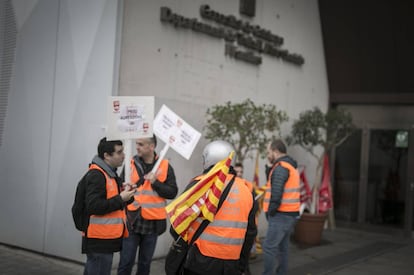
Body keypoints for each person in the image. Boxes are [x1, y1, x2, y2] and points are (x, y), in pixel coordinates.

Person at [179, 140, 257, 275]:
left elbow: (178, 224)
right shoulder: (247, 190)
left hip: (199, 262)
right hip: (231, 264)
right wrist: (242, 265)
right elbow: (250, 233)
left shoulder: (199, 185)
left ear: (210, 159)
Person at [118, 134, 178, 275]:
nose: (136, 147)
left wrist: (155, 183)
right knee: (126, 262)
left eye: (140, 144)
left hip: (152, 224)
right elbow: (119, 187)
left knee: (145, 264)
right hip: (132, 220)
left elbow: (172, 192)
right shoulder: (130, 163)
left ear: (151, 146)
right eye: (137, 143)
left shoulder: (165, 165)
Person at [83, 137, 136, 275]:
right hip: (99, 240)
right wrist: (120, 198)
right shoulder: (97, 175)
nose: (123, 155)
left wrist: (127, 195)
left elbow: (113, 201)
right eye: (119, 152)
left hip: (105, 239)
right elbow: (94, 206)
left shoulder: (109, 174)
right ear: (106, 155)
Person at [262, 139, 300, 275]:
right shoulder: (288, 166)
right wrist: (268, 168)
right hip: (289, 214)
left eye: (268, 152)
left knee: (268, 248)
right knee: (282, 248)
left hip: (280, 215)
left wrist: (270, 212)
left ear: (275, 151)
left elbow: (276, 193)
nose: (268, 155)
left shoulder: (281, 167)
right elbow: (274, 183)